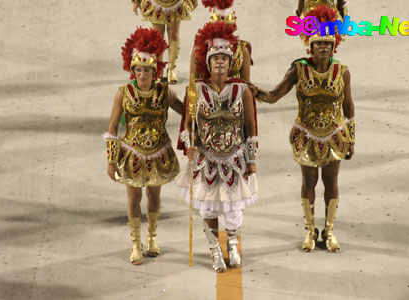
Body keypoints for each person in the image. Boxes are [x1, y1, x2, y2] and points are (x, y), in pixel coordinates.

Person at [254, 2, 355, 253]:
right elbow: (274, 96)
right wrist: (249, 90)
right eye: (318, 43)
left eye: (327, 43)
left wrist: (351, 138)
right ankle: (310, 230)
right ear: (310, 45)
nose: (323, 47)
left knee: (331, 183)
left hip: (334, 136)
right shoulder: (298, 69)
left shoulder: (342, 72)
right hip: (307, 136)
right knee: (309, 183)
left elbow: (349, 107)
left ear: (334, 45)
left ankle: (329, 230)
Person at [175, 21, 258, 272]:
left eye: (224, 58)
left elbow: (251, 128)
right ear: (208, 63)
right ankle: (214, 250)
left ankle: (232, 244)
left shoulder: (242, 90)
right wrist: (188, 146)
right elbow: (187, 126)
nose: (219, 62)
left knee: (233, 208)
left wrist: (251, 160)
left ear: (230, 62)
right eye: (215, 58)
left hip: (235, 158)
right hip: (206, 159)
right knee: (209, 208)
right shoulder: (195, 90)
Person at [104, 27, 183, 265]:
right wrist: (111, 160)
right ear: (133, 70)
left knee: (154, 195)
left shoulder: (165, 92)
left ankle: (152, 237)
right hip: (132, 154)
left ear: (154, 70)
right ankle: (135, 243)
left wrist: (194, 108)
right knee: (133, 198)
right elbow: (112, 127)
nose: (143, 74)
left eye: (148, 70)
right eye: (139, 69)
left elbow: (185, 113)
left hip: (159, 153)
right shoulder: (123, 93)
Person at [132, 0, 198, 84]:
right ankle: (158, 68)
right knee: (157, 36)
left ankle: (171, 69)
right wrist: (136, 1)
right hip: (156, 2)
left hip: (175, 3)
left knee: (174, 35)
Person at [190, 0, 253, 81]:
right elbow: (193, 86)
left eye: (226, 25)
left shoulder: (242, 50)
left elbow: (247, 86)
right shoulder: (198, 49)